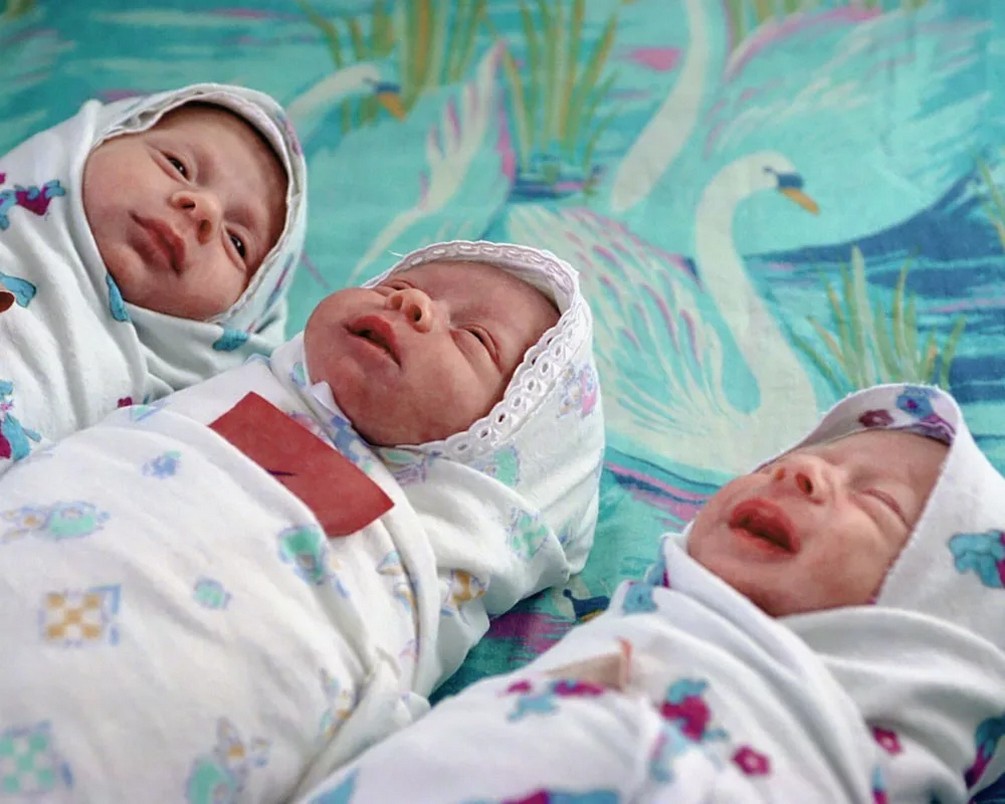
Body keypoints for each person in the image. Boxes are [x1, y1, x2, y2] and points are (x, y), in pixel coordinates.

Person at [0, 240, 605, 802]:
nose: (413, 304)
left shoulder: (438, 541)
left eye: (473, 337)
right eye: (397, 286)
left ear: (514, 448)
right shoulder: (223, 385)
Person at [296, 383, 1005, 803]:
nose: (802, 474)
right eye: (785, 463)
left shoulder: (804, 764)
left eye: (876, 501)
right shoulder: (643, 629)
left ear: (928, 633)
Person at [0, 82, 307, 471]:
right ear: (95, 140)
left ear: (241, 317)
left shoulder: (181, 424)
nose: (205, 209)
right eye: (178, 166)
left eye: (237, 242)